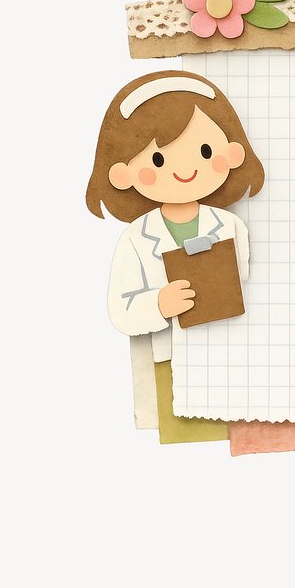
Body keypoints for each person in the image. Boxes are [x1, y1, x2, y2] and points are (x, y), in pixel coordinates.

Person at [86, 70, 264, 422]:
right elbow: (120, 309)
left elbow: (247, 282)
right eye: (158, 160)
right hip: (169, 358)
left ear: (232, 153)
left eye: (204, 151)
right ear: (122, 173)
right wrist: (159, 303)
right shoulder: (135, 239)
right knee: (184, 423)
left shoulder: (231, 226)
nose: (185, 169)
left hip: (233, 354)